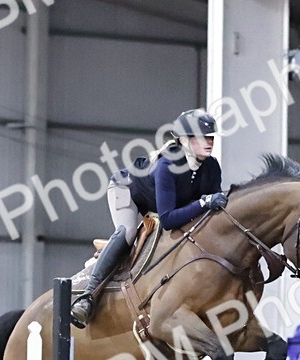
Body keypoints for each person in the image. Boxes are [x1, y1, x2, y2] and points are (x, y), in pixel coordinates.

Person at [69, 108, 228, 328]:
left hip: (159, 203)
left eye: (211, 137)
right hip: (126, 191)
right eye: (202, 137)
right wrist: (203, 203)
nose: (209, 142)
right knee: (128, 232)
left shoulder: (211, 167)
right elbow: (169, 219)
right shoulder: (167, 166)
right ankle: (87, 297)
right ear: (184, 140)